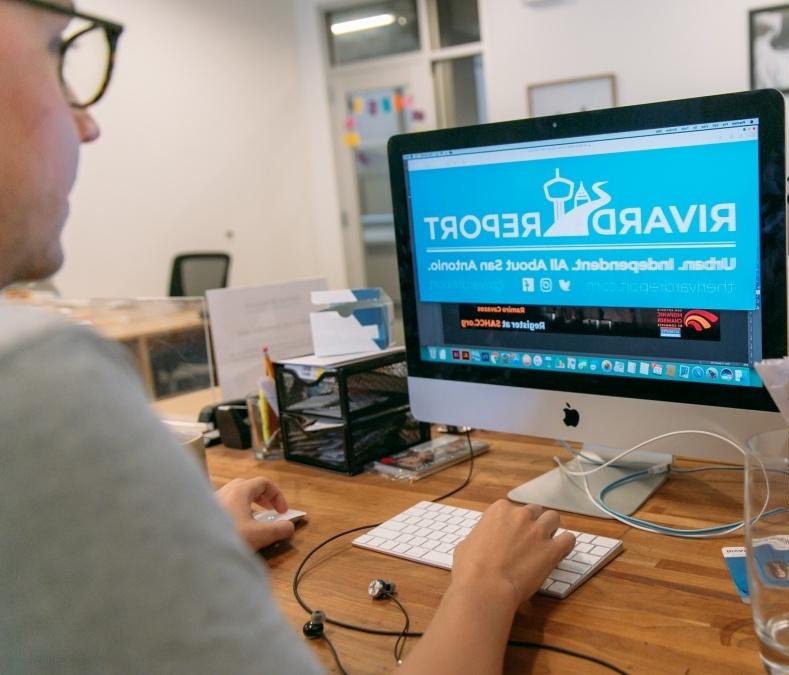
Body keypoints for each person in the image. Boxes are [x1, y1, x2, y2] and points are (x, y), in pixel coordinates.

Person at [0, 1, 575, 672]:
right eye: (58, 55)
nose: (87, 122)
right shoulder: (33, 381)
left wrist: (190, 537)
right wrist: (487, 583)